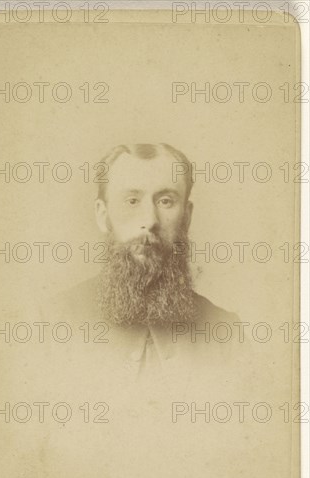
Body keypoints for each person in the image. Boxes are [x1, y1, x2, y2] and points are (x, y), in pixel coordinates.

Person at [60, 143, 239, 375]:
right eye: (132, 200)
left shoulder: (225, 333)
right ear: (103, 216)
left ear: (186, 217)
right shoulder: (51, 323)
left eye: (165, 201)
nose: (150, 220)